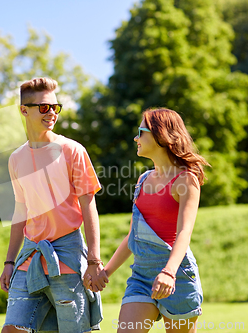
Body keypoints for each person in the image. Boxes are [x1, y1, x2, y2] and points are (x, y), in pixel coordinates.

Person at [86, 108, 210, 333]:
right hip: (141, 277)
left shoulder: (185, 180)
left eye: (140, 131)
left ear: (160, 134)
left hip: (177, 276)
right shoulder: (143, 180)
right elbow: (133, 234)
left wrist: (169, 272)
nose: (136, 138)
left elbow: (184, 232)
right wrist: (107, 271)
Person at [0, 77, 108, 333]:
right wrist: (9, 262)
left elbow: (88, 206)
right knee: (12, 329)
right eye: (44, 107)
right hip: (30, 257)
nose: (52, 113)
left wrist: (93, 259)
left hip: (67, 256)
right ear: (24, 110)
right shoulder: (16, 159)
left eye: (55, 107)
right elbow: (20, 212)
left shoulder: (73, 150)